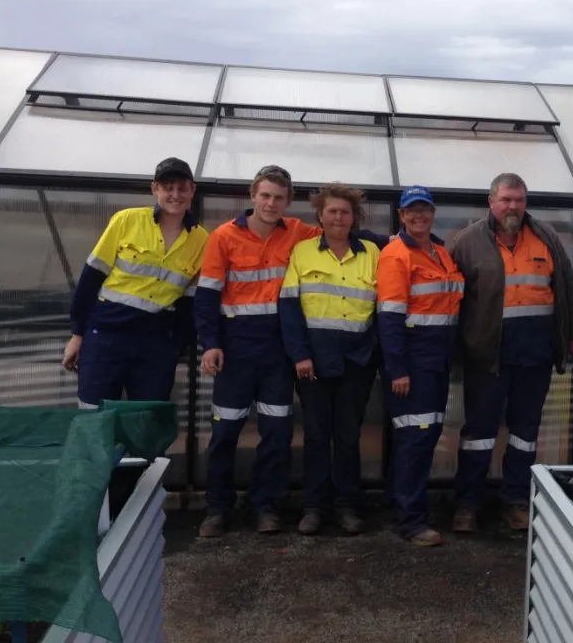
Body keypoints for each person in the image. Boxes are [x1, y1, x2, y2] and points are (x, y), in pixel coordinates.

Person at [448, 172, 573, 532]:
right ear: (491, 202)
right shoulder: (467, 242)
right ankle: (467, 503)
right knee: (479, 433)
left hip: (535, 356)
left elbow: (569, 287)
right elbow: (452, 298)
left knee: (525, 433)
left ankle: (516, 502)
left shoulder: (546, 237)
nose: (513, 206)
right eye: (507, 199)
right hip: (488, 357)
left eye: (520, 200)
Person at [193, 166, 317, 538]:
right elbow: (207, 296)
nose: (271, 203)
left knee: (276, 433)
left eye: (279, 198)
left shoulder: (298, 232)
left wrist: (392, 237)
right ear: (252, 195)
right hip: (235, 352)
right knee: (225, 432)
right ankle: (217, 508)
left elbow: (340, 233)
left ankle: (266, 506)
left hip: (278, 354)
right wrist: (210, 343)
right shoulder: (224, 237)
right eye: (265, 195)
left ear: (288, 201)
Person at [62, 157, 208, 409]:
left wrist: (175, 346)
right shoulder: (126, 220)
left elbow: (190, 302)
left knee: (146, 420)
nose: (175, 195)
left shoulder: (202, 240)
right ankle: (98, 451)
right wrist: (77, 334)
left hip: (156, 342)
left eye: (182, 188)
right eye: (167, 187)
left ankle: (142, 452)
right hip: (107, 334)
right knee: (94, 414)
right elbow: (91, 278)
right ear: (154, 189)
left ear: (192, 191)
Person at [280, 183, 381, 536]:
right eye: (332, 211)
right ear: (320, 216)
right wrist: (301, 356)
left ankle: (347, 506)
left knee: (350, 436)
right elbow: (289, 308)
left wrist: (373, 349)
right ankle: (314, 507)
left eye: (345, 212)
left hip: (357, 362)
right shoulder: (302, 252)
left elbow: (385, 306)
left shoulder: (373, 252)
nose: (338, 217)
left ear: (355, 218)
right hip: (315, 363)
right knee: (318, 435)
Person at [376, 186, 465, 547]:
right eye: (411, 211)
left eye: (424, 210)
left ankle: (401, 505)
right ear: (401, 215)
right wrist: (397, 369)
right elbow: (389, 318)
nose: (418, 216)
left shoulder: (441, 252)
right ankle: (410, 521)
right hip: (412, 361)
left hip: (438, 360)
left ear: (433, 213)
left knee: (424, 436)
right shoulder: (396, 255)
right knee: (415, 438)